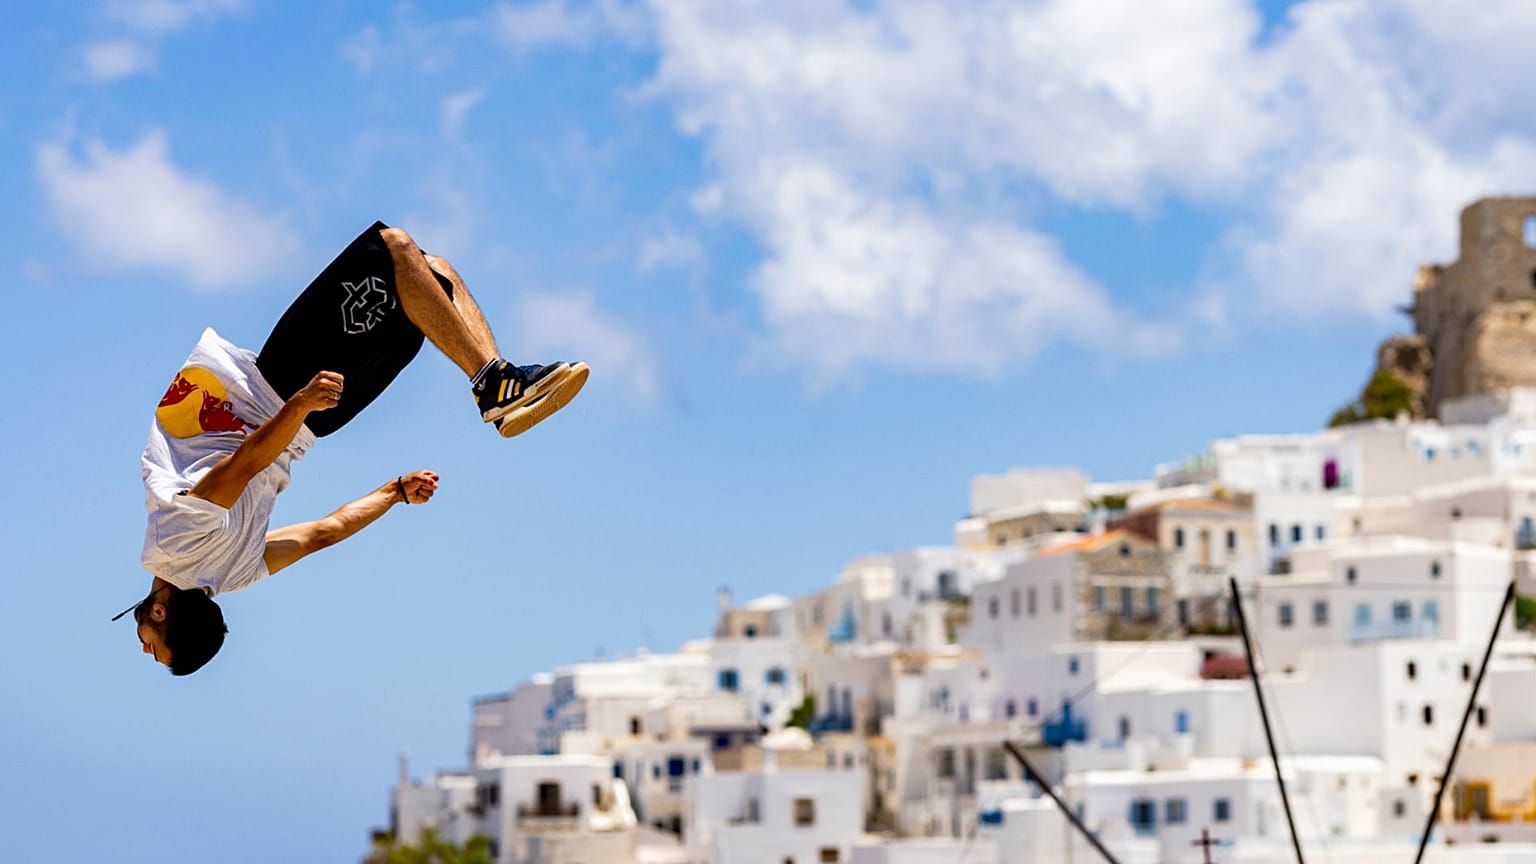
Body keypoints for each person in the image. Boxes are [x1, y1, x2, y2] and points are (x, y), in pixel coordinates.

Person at [120, 221, 588, 675]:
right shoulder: (169, 547)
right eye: (152, 650)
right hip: (285, 386)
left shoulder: (233, 574)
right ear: (160, 615)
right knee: (395, 248)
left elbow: (325, 532)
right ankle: (494, 386)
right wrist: (299, 402)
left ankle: (497, 388)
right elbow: (241, 466)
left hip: (321, 419)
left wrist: (393, 494)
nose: (143, 650)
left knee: (431, 276)